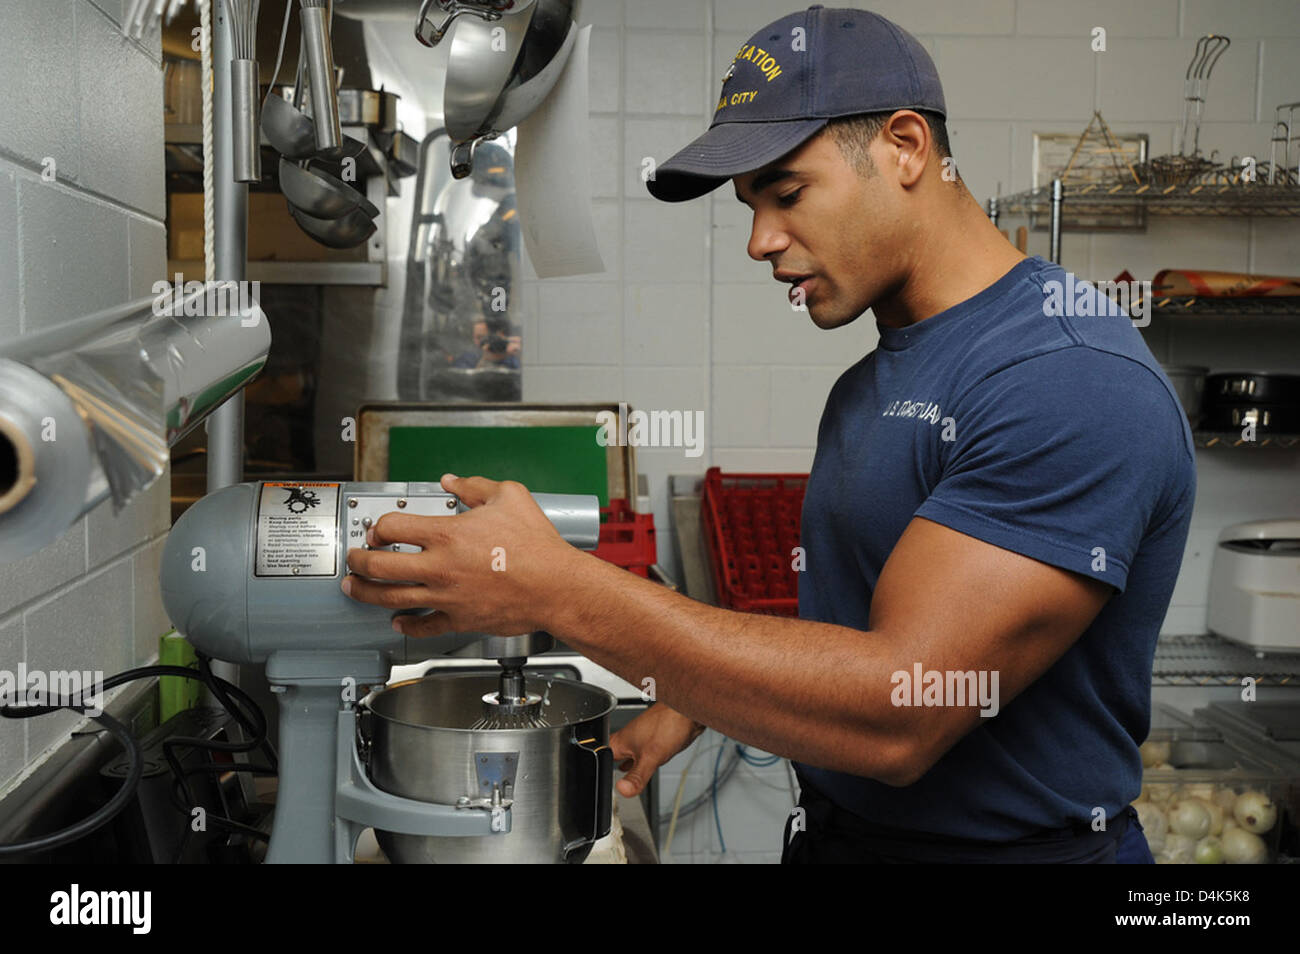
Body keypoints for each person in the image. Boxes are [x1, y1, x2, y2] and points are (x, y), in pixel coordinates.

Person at [341, 6, 1195, 863]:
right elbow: (875, 611)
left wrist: (560, 591)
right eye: (752, 205)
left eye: (787, 194)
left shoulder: (1069, 378)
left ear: (905, 148)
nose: (760, 242)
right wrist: (702, 695)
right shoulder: (879, 376)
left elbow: (903, 709)